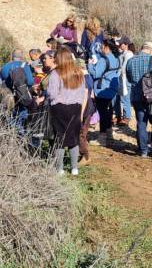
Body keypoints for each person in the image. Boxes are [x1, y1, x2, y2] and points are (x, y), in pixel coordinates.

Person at [46, 47, 86, 176]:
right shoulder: (79, 72)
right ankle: (74, 168)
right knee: (73, 138)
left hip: (59, 108)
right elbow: (82, 93)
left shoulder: (56, 73)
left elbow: (52, 94)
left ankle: (60, 169)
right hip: (75, 107)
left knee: (60, 138)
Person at [126, 42, 152, 157]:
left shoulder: (130, 61)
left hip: (137, 96)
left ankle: (143, 151)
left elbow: (129, 78)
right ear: (151, 51)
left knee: (141, 123)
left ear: (142, 49)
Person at [87, 39, 120, 147]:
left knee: (102, 113)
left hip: (102, 89)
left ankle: (102, 137)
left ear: (106, 47)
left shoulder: (103, 60)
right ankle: (109, 135)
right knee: (109, 112)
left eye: (102, 47)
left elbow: (96, 74)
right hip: (113, 88)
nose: (101, 49)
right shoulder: (117, 58)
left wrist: (90, 64)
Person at [0, 49, 35, 134]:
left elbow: (1, 81)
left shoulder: (5, 66)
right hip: (22, 94)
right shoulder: (25, 65)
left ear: (12, 56)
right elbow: (30, 82)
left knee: (11, 114)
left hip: (9, 95)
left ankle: (12, 133)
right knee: (22, 114)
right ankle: (21, 134)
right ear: (22, 56)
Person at [114, 37, 134, 126]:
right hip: (121, 78)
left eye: (121, 44)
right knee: (118, 97)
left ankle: (127, 117)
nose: (119, 45)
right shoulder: (123, 53)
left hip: (125, 79)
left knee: (125, 98)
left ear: (126, 45)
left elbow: (124, 68)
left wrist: (116, 72)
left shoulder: (129, 54)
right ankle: (118, 116)